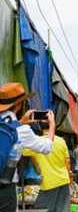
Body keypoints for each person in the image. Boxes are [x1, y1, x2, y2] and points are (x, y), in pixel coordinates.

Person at [0, 83, 55, 212]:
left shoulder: (16, 127)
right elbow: (46, 147)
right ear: (20, 105)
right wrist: (52, 125)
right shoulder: (22, 130)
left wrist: (19, 122)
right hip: (5, 189)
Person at [23, 121, 71, 212]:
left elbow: (22, 150)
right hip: (64, 180)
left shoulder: (38, 142)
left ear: (40, 128)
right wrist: (67, 178)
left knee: (41, 209)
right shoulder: (61, 141)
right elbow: (67, 162)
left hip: (49, 183)